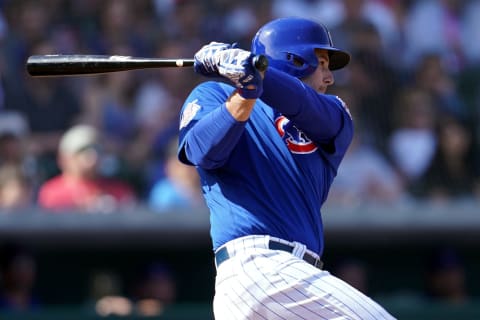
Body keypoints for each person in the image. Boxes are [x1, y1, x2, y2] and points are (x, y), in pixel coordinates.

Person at [178, 17, 395, 319]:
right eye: (322, 63)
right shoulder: (214, 95)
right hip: (261, 266)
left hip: (287, 280)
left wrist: (256, 72)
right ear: (295, 59)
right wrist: (245, 92)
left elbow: (301, 104)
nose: (330, 77)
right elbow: (202, 152)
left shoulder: (335, 114)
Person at [37, 124, 136, 213]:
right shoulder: (52, 193)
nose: (92, 156)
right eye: (82, 150)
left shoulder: (119, 191)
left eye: (97, 149)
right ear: (64, 158)